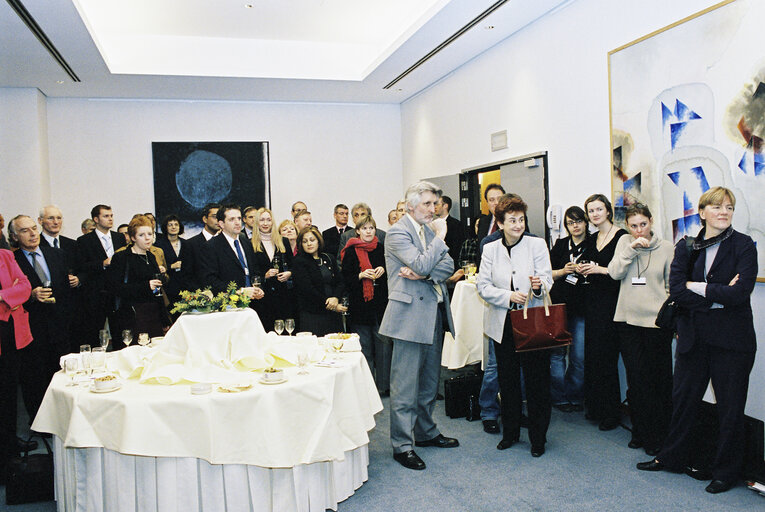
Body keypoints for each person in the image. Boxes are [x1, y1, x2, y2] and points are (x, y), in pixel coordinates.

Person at [637, 187, 758, 494]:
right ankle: (671, 457)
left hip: (732, 343)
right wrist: (715, 296)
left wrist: (699, 288)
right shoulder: (687, 246)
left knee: (730, 409)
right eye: (717, 207)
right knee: (684, 402)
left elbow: (739, 294)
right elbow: (676, 290)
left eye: (729, 208)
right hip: (693, 338)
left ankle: (725, 472)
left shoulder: (744, 246)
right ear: (702, 212)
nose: (724, 212)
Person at [379, 181, 458, 471]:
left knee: (428, 382)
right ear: (411, 205)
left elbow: (447, 266)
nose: (433, 208)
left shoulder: (427, 231)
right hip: (408, 317)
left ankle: (425, 432)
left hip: (433, 312)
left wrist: (423, 272)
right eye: (427, 203)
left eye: (434, 203)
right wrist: (440, 238)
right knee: (405, 386)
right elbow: (424, 264)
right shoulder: (398, 232)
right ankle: (402, 445)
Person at [476, 195, 553, 457]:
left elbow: (547, 278)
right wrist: (507, 296)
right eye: (511, 220)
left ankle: (538, 437)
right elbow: (482, 286)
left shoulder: (537, 244)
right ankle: (510, 432)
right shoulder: (490, 249)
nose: (518, 225)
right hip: (503, 323)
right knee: (507, 381)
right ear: (500, 223)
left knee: (537, 382)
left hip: (532, 322)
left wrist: (539, 286)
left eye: (521, 219)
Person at [607, 203, 674, 455]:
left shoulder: (666, 248)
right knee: (637, 380)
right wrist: (631, 251)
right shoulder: (625, 244)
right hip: (628, 322)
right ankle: (640, 431)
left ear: (651, 221)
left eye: (643, 225)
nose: (639, 231)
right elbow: (614, 273)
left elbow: (671, 286)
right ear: (627, 226)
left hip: (656, 324)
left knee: (658, 380)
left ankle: (658, 435)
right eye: (633, 226)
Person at [9, 215, 75, 420]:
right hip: (31, 328)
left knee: (63, 374)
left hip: (60, 325)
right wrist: (30, 295)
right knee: (35, 378)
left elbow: (65, 290)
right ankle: (41, 422)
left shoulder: (57, 254)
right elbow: (10, 295)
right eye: (24, 230)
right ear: (14, 236)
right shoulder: (12, 260)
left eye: (33, 228)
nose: (31, 234)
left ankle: (66, 416)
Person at [578, 193, 628, 431]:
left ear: (608, 210)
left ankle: (611, 413)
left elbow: (619, 271)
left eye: (598, 209)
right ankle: (596, 407)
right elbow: (588, 264)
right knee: (594, 356)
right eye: (591, 211)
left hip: (613, 303)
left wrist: (598, 269)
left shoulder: (622, 237)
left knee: (607, 358)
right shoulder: (592, 238)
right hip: (593, 301)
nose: (595, 214)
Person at [341, 214, 391, 395]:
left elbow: (393, 274)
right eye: (365, 228)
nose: (368, 231)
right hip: (360, 306)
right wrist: (360, 275)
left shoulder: (382, 248)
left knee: (383, 347)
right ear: (358, 231)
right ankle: (367, 388)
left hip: (380, 305)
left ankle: (384, 387)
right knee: (365, 349)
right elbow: (345, 279)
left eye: (371, 228)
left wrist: (384, 269)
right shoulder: (351, 250)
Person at [548, 206, 588, 413]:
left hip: (581, 309)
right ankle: (559, 397)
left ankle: (574, 395)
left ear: (585, 222)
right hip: (559, 307)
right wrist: (564, 271)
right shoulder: (561, 245)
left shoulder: (593, 244)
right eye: (571, 223)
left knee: (579, 356)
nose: (575, 226)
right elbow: (547, 273)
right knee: (556, 355)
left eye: (578, 221)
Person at [108, 215, 169, 342]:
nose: (147, 238)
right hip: (132, 316)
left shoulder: (151, 257)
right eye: (141, 235)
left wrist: (165, 320)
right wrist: (146, 286)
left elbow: (158, 292)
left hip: (153, 315)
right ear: (132, 238)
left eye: (150, 234)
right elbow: (115, 288)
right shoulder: (122, 257)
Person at [0, 248, 32, 484]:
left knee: (8, 394)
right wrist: (9, 292)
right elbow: (16, 288)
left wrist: (3, 295)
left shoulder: (5, 255)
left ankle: (9, 450)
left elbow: (25, 286)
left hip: (10, 332)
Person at [76, 204, 127, 346]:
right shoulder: (84, 240)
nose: (110, 219)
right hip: (96, 292)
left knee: (119, 331)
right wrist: (102, 263)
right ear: (96, 219)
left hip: (117, 291)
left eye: (111, 216)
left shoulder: (119, 238)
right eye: (106, 216)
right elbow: (82, 266)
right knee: (94, 331)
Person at [200, 204, 265, 302]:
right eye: (232, 219)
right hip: (229, 304)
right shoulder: (211, 246)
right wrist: (239, 291)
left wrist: (258, 288)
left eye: (239, 218)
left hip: (254, 301)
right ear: (221, 224)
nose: (237, 223)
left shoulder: (247, 242)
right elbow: (210, 280)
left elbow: (255, 270)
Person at [291, 226, 346, 336]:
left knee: (336, 347)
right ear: (301, 244)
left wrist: (335, 298)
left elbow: (340, 281)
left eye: (312, 240)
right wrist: (332, 305)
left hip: (333, 313)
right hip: (312, 314)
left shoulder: (328, 257)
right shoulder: (299, 261)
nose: (309, 244)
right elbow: (307, 289)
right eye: (305, 241)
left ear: (318, 241)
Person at [250, 208, 294, 331]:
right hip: (263, 298)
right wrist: (265, 276)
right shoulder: (250, 243)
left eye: (268, 220)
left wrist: (289, 273)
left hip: (284, 295)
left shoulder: (283, 241)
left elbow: (293, 265)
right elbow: (251, 271)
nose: (265, 223)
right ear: (257, 222)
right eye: (262, 220)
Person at [154, 214, 192, 305]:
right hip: (168, 286)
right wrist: (171, 266)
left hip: (185, 286)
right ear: (165, 227)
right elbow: (156, 266)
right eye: (170, 225)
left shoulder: (187, 244)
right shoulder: (158, 245)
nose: (173, 227)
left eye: (176, 224)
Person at [184, 203, 221, 290]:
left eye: (221, 217)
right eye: (215, 216)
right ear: (205, 219)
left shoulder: (225, 243)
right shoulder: (191, 244)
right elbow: (186, 276)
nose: (218, 220)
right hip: (201, 297)